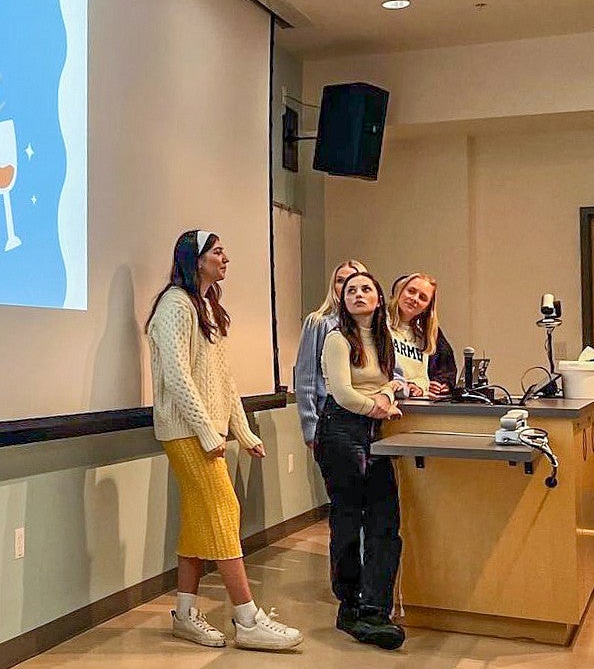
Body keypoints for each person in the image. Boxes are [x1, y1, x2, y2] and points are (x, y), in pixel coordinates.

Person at [145, 229, 303, 651]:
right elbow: (177, 377)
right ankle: (246, 617)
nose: (225, 258)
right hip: (185, 432)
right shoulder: (175, 306)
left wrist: (243, 430)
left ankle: (184, 613)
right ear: (196, 260)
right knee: (222, 510)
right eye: (217, 252)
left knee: (200, 519)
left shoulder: (207, 308)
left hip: (205, 431)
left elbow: (223, 380)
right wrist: (204, 430)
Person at [316, 270, 406, 650]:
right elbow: (343, 394)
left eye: (365, 288)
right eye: (350, 290)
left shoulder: (384, 340)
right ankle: (350, 606)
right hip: (341, 432)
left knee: (386, 521)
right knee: (350, 521)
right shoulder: (337, 339)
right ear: (343, 301)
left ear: (378, 298)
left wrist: (386, 392)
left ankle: (376, 609)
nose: (357, 294)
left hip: (372, 433)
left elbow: (389, 381)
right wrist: (379, 407)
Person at [293, 259, 367, 447]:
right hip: (331, 415)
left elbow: (393, 370)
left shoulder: (374, 327)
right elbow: (305, 378)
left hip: (368, 415)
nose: (346, 286)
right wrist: (311, 428)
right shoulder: (319, 322)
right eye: (340, 280)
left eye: (353, 280)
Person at [388, 273, 457, 396]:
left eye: (423, 297)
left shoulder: (424, 335)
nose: (414, 299)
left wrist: (420, 386)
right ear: (400, 291)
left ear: (427, 307)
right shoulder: (380, 324)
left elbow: (422, 377)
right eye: (411, 291)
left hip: (414, 404)